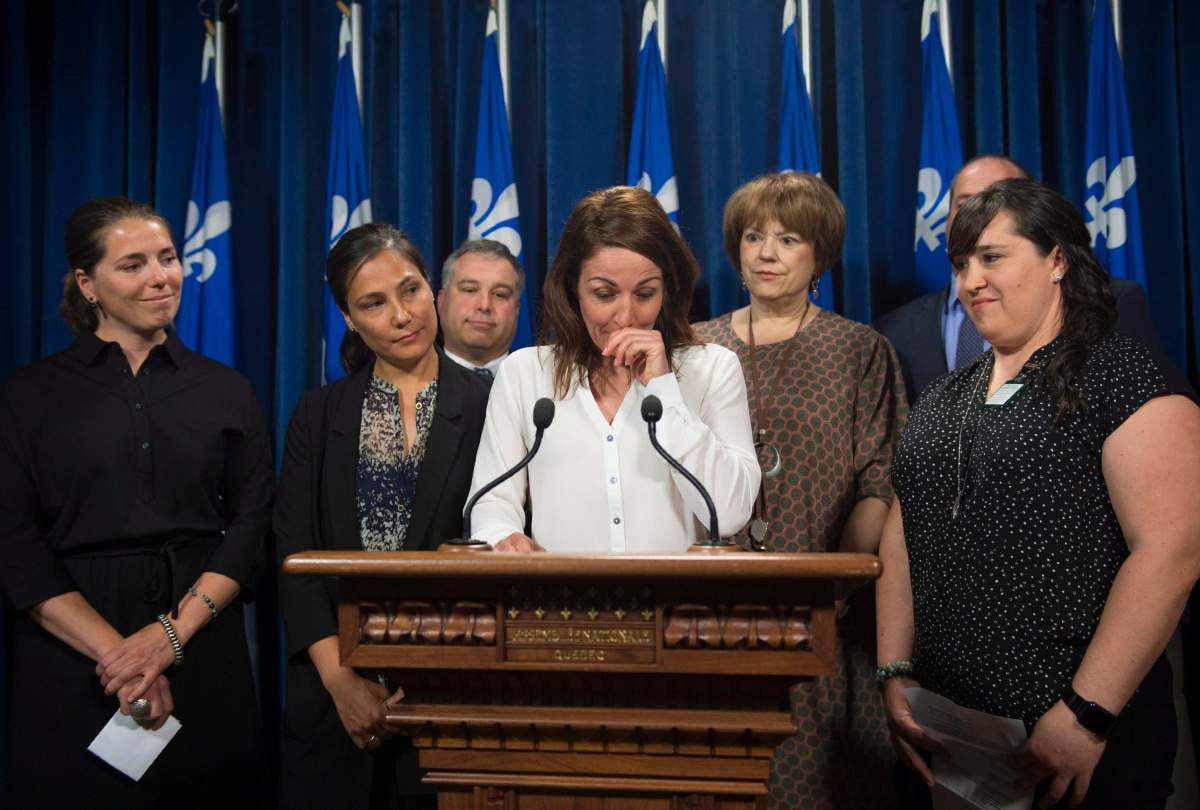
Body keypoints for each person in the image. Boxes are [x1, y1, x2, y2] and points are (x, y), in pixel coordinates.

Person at [878, 178, 1200, 809]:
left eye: (992, 257)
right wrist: (894, 671)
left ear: (1056, 260)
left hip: (1082, 744)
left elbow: (1171, 552)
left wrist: (1084, 715)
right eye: (961, 264)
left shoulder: (1124, 375)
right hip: (951, 742)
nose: (971, 281)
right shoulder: (945, 394)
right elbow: (903, 527)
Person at [0, 197, 273, 807]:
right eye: (133, 264)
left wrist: (169, 638)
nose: (160, 276)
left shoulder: (227, 390)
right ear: (86, 283)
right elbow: (14, 544)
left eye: (168, 258)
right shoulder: (27, 397)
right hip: (73, 656)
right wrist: (121, 657)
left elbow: (252, 525)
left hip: (201, 641)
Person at [692, 172, 908, 809]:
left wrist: (827, 586)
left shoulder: (859, 350)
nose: (766, 253)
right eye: (754, 237)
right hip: (708, 621)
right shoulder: (693, 348)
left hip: (824, 623)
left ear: (820, 255)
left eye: (788, 240)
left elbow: (880, 483)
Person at [276, 223, 490, 810]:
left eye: (411, 290)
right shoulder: (318, 415)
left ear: (434, 292)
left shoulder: (492, 403)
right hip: (333, 702)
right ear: (348, 318)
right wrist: (342, 682)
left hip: (456, 700)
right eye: (374, 303)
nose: (402, 315)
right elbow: (293, 555)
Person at [468, 185, 759, 552]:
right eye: (605, 294)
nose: (626, 317)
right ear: (573, 289)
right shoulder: (525, 373)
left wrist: (664, 388)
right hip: (558, 605)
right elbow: (491, 502)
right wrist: (503, 538)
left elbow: (730, 513)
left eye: (644, 293)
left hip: (676, 604)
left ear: (667, 290)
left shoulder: (713, 368)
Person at [875, 154, 1171, 404]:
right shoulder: (893, 330)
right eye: (966, 204)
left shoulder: (1111, 305)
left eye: (997, 199)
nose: (980, 215)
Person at [437, 238, 523, 379]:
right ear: (441, 302)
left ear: (516, 310)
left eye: (499, 294)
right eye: (470, 290)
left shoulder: (540, 385)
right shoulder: (410, 387)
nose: (484, 305)